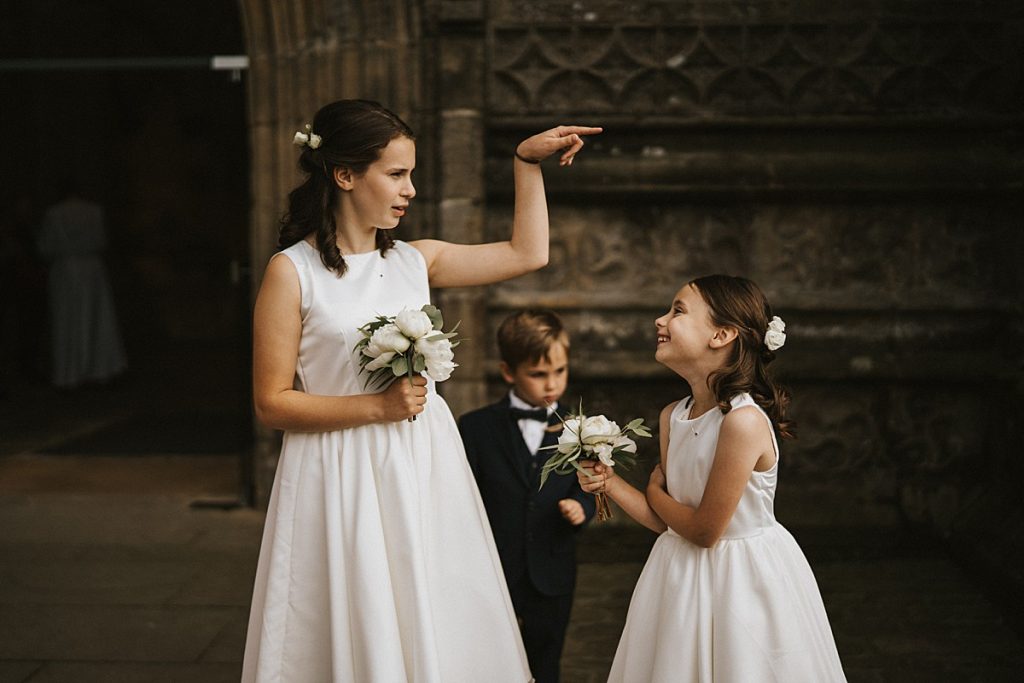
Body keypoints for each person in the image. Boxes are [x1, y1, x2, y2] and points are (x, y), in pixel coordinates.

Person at [242, 99, 601, 682]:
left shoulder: (416, 260)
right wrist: (377, 406)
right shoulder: (293, 272)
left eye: (412, 175)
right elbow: (271, 402)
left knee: (431, 605)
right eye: (397, 174)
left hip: (423, 463)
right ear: (344, 175)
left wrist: (525, 163)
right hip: (338, 469)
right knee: (352, 610)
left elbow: (527, 254)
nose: (410, 189)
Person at [579, 275, 846, 682]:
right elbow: (665, 523)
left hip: (741, 582)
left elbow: (704, 530)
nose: (660, 319)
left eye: (678, 311)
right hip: (678, 578)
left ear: (721, 334)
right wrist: (610, 483)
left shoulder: (742, 422)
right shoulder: (674, 415)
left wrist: (653, 489)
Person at [459, 309, 595, 683]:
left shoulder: (582, 429)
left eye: (560, 371)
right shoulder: (475, 428)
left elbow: (588, 487)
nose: (552, 384)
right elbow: (463, 497)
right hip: (493, 569)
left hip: (552, 572)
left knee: (546, 661)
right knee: (489, 660)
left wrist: (581, 507)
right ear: (508, 373)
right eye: (538, 374)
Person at [36, 180, 127, 389]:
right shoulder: (94, 211)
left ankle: (72, 371)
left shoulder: (54, 213)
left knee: (69, 320)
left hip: (67, 270)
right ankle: (97, 369)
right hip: (91, 270)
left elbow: (46, 246)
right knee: (94, 318)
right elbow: (101, 240)